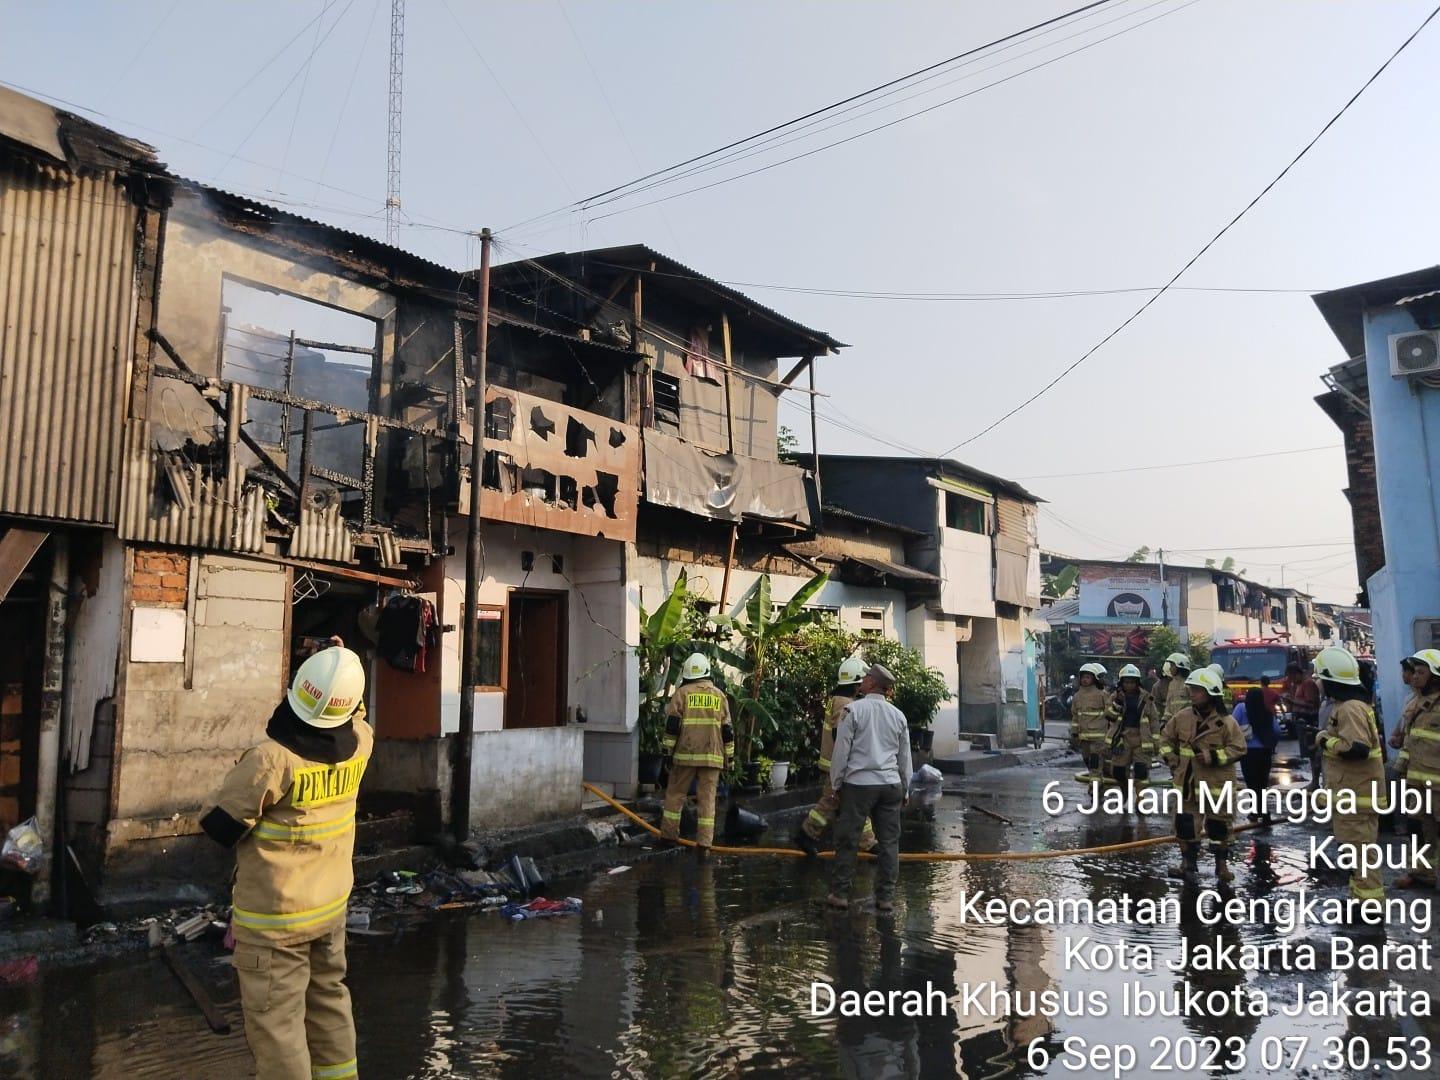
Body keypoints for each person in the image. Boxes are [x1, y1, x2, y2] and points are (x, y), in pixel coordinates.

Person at [201, 645, 371, 1080]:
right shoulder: (362, 745)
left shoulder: (272, 760)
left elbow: (220, 827)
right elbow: (354, 715)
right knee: (329, 1003)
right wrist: (343, 670)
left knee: (278, 1026)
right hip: (329, 912)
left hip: (276, 924)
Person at [828, 664, 912, 914]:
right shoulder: (898, 716)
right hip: (890, 785)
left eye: (865, 677)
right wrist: (905, 789)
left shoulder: (852, 711)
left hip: (859, 785)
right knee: (889, 843)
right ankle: (885, 898)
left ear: (873, 684)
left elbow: (841, 751)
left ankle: (840, 894)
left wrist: (836, 783)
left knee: (848, 840)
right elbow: (904, 757)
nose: (862, 680)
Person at [1158, 667, 1246, 886]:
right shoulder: (1182, 717)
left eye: (1198, 690)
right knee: (1185, 827)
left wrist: (1214, 756)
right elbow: (1165, 740)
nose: (1193, 694)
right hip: (1187, 786)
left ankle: (1221, 867)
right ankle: (1188, 864)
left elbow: (1239, 748)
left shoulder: (1226, 723)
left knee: (1219, 828)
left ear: (1211, 693)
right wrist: (1171, 758)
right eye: (1192, 690)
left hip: (1216, 787)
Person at [1313, 646, 1384, 903]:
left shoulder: (1350, 708)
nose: (1317, 683)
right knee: (1356, 855)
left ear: (1331, 679)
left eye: (1320, 677)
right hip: (1352, 796)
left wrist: (1325, 741)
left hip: (1357, 797)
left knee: (1361, 855)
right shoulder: (1346, 705)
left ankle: (1370, 906)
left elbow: (1357, 749)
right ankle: (1360, 899)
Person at [798, 656, 876, 856]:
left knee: (848, 802)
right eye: (861, 682)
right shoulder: (843, 703)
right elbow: (840, 734)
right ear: (855, 683)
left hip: (836, 763)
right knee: (832, 802)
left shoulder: (838, 700)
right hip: (839, 764)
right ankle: (807, 833)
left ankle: (867, 842)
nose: (863, 687)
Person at [660, 653, 735, 857]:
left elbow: (672, 727)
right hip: (712, 757)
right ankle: (704, 845)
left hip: (685, 755)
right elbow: (727, 731)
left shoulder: (681, 694)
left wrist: (667, 753)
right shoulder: (719, 696)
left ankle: (668, 836)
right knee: (707, 800)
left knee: (675, 795)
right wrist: (731, 758)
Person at [1395, 650, 1440, 889]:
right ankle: (1421, 872)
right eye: (1414, 672)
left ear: (1435, 677)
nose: (1414, 677)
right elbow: (1410, 741)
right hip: (1415, 782)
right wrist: (1401, 769)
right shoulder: (1417, 705)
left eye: (1421, 673)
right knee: (1418, 830)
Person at [1106, 664, 1159, 787]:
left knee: (1141, 772)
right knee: (1118, 772)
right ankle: (1125, 793)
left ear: (1137, 683)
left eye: (1132, 682)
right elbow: (1109, 716)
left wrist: (1156, 742)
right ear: (1121, 682)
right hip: (1122, 739)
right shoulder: (1115, 697)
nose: (1129, 685)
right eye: (1126, 682)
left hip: (1142, 739)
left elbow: (1154, 720)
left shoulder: (1147, 698)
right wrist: (1117, 703)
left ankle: (1140, 799)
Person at [1235, 684, 1278, 822]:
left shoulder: (1241, 708)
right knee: (1262, 782)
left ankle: (1255, 811)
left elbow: (1232, 725)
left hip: (1248, 752)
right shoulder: (1267, 711)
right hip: (1265, 751)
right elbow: (1277, 730)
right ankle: (1264, 812)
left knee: (1252, 783)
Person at [1068, 663, 1110, 782]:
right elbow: (1075, 716)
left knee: (1096, 762)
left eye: (1088, 677)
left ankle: (1095, 789)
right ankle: (1102, 778)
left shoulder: (1102, 695)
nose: (1085, 680)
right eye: (1083, 677)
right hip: (1084, 738)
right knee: (1087, 760)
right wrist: (1075, 733)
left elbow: (1110, 714)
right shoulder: (1077, 696)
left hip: (1099, 737)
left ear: (1094, 679)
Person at [1287, 661, 1322, 762]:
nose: (1291, 680)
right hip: (1301, 721)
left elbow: (1311, 704)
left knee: (1311, 750)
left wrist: (1293, 701)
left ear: (1297, 674)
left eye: (1292, 677)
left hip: (1308, 721)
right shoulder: (1298, 685)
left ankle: (1315, 776)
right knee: (1307, 751)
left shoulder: (1308, 683)